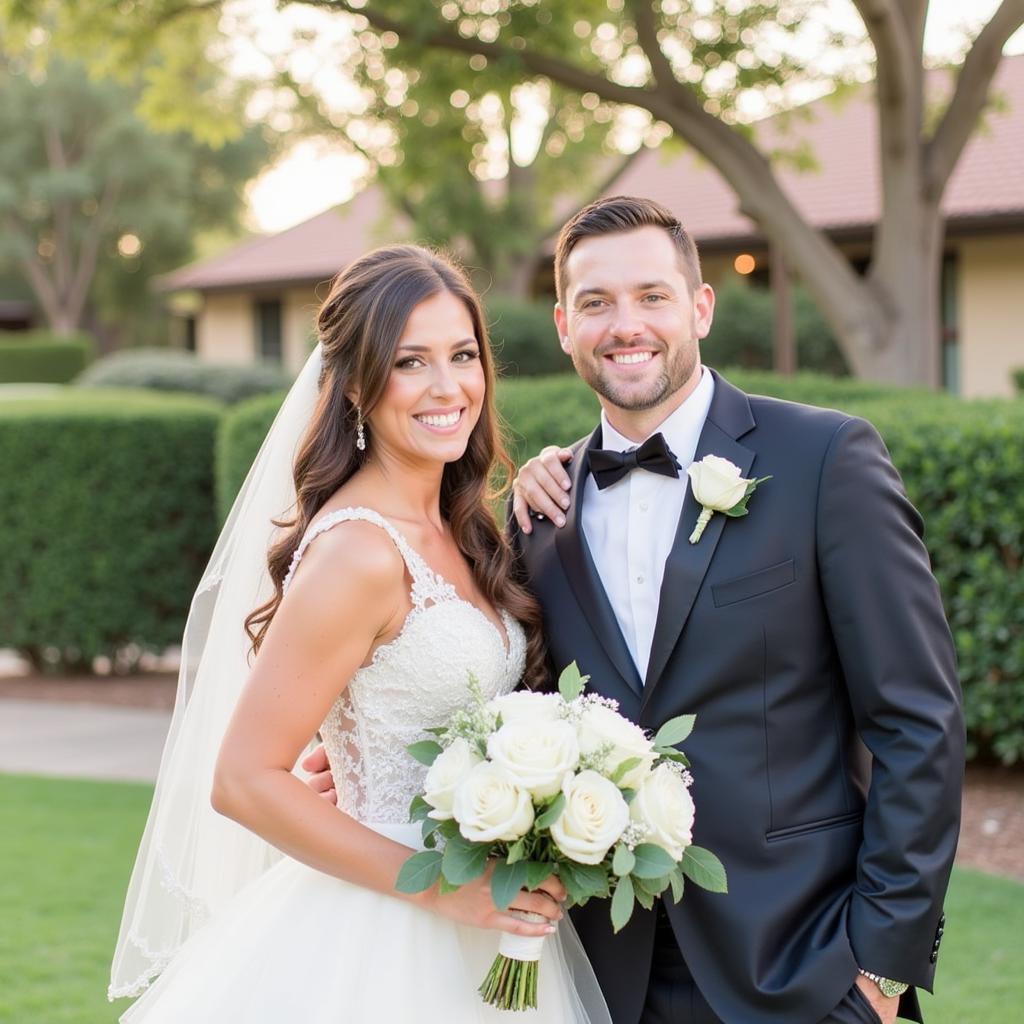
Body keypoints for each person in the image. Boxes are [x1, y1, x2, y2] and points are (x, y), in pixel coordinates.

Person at [108, 245, 611, 1023]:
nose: (449, 387)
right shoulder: (360, 551)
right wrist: (448, 889)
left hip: (490, 922)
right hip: (388, 935)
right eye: (411, 362)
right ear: (354, 387)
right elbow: (243, 779)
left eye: (463, 355)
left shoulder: (459, 527)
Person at [506, 196, 964, 1024]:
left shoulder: (826, 459)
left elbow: (917, 718)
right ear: (563, 325)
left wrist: (882, 969)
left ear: (701, 308)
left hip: (804, 965)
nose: (625, 325)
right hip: (604, 978)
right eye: (595, 302)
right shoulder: (541, 512)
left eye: (652, 296)